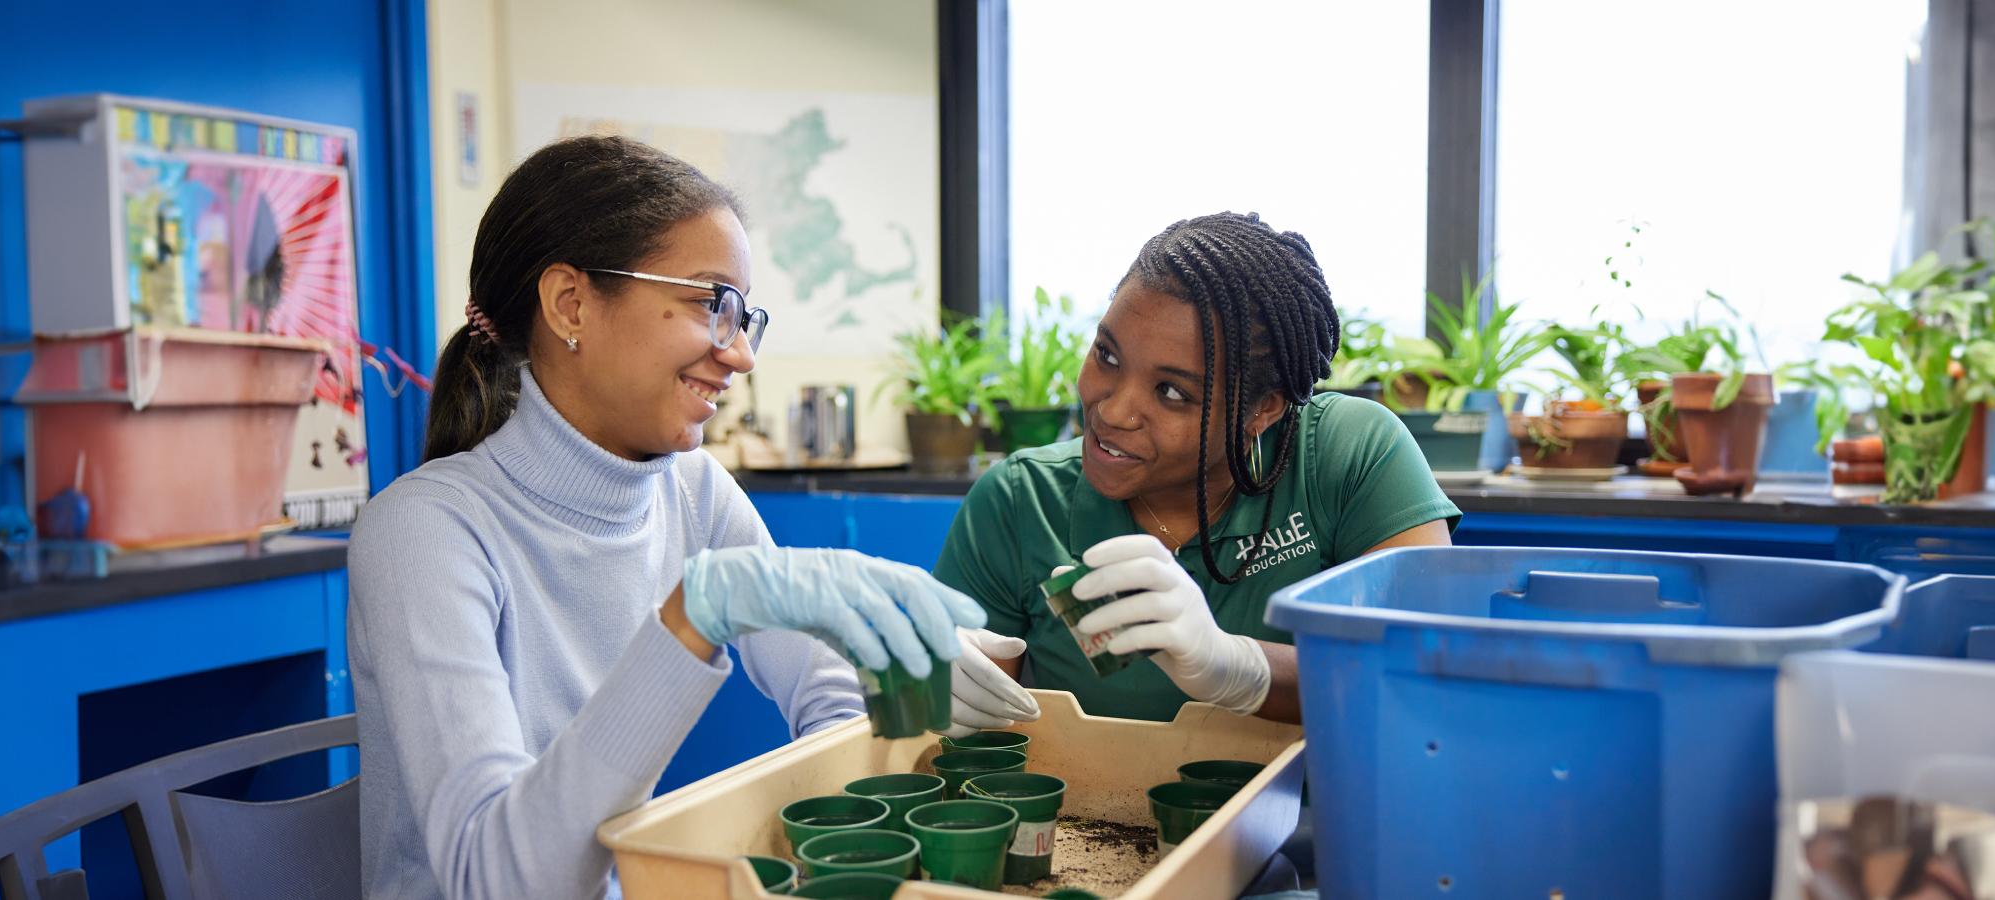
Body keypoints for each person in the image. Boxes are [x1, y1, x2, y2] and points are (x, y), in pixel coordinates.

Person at [346, 135, 982, 900]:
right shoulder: (423, 533)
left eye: (746, 317)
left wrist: (883, 720)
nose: (740, 354)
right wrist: (687, 624)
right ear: (570, 304)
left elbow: (831, 697)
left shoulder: (693, 489)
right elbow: (497, 882)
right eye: (712, 305)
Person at [932, 212, 1462, 727]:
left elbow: (1427, 669)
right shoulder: (1021, 501)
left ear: (1264, 409)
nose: (1112, 411)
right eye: (1108, 357)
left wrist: (1238, 669)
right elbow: (978, 743)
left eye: (1172, 392)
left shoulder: (1349, 454)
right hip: (1090, 815)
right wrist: (938, 690)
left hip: (1318, 814)